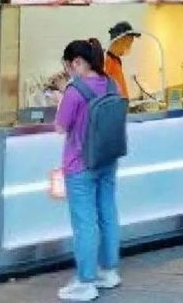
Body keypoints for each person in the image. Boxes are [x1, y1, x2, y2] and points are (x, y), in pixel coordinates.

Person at [54, 40, 122, 301]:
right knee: (108, 214)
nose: (68, 71)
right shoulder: (111, 84)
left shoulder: (75, 91)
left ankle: (86, 282)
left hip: (80, 165)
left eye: (68, 66)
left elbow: (61, 127)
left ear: (77, 63)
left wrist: (61, 98)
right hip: (107, 160)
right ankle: (108, 271)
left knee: (85, 224)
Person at [104, 21, 139, 99]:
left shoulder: (116, 60)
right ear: (119, 40)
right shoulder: (107, 61)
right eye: (128, 43)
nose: (129, 47)